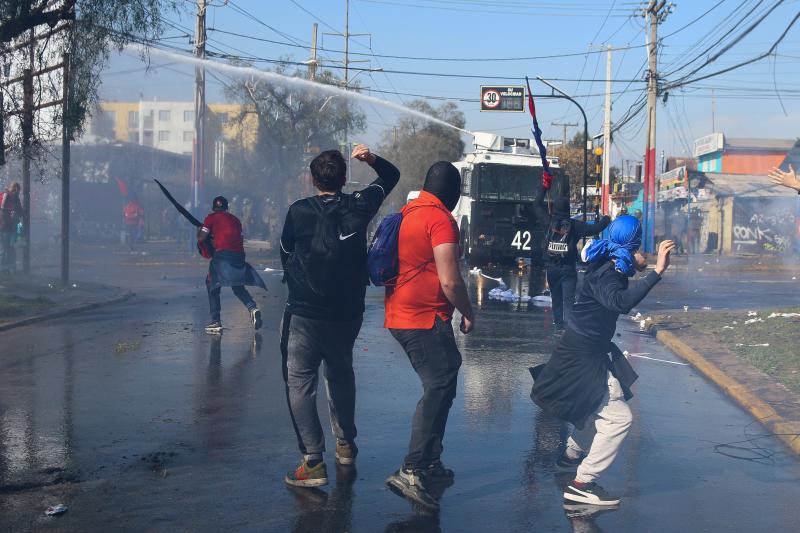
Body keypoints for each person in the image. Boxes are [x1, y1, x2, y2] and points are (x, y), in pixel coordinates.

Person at [531, 215, 675, 507]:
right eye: (641, 243)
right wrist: (657, 271)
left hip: (586, 349)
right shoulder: (609, 272)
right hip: (582, 353)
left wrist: (644, 267)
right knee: (620, 418)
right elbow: (619, 302)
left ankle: (570, 455)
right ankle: (583, 483)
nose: (646, 250)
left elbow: (619, 292)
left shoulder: (610, 263)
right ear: (630, 246)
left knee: (597, 404)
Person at [280, 145, 399, 488]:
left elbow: (286, 253)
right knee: (341, 369)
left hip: (304, 312)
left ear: (312, 179)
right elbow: (391, 176)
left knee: (300, 381)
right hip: (348, 311)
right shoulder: (360, 203)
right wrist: (371, 158)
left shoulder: (298, 211)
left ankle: (313, 461)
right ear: (345, 179)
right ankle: (345, 444)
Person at [383, 161, 475, 511]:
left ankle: (431, 462)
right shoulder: (440, 219)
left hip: (400, 314)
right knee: (438, 384)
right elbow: (450, 279)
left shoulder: (408, 211)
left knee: (446, 376)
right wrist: (469, 311)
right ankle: (412, 468)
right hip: (422, 319)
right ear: (451, 192)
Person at [535, 177, 610, 334]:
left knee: (556, 298)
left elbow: (536, 205)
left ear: (554, 208)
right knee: (568, 299)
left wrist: (544, 187)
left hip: (552, 268)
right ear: (568, 209)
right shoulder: (575, 225)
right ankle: (569, 330)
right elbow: (596, 228)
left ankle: (558, 326)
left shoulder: (548, 222)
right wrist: (607, 219)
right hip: (568, 268)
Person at [197, 195, 265, 334]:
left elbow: (202, 238)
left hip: (223, 256)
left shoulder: (211, 218)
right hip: (239, 256)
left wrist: (201, 231)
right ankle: (252, 308)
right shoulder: (235, 220)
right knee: (237, 285)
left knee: (212, 284)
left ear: (214, 208)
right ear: (227, 208)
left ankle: (215, 321)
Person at [0, 182, 23, 273]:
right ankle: (4, 268)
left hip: (12, 226)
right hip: (4, 226)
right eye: (14, 189)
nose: (16, 191)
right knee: (5, 247)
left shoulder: (16, 198)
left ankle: (11, 267)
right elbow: (3, 208)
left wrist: (17, 213)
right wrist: (11, 213)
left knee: (11, 247)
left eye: (17, 190)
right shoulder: (7, 195)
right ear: (11, 189)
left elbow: (20, 211)